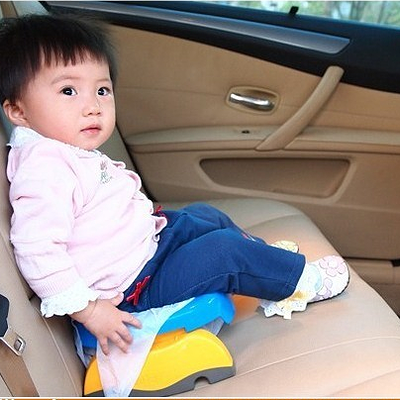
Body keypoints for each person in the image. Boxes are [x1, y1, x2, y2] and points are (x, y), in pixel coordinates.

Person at [0, 14, 349, 357]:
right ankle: (299, 284)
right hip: (132, 291)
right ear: (18, 112)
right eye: (68, 91)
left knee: (203, 215)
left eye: (102, 90)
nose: (93, 106)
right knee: (223, 250)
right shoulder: (43, 169)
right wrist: (90, 311)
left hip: (147, 250)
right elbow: (37, 250)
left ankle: (263, 261)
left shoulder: (64, 149)